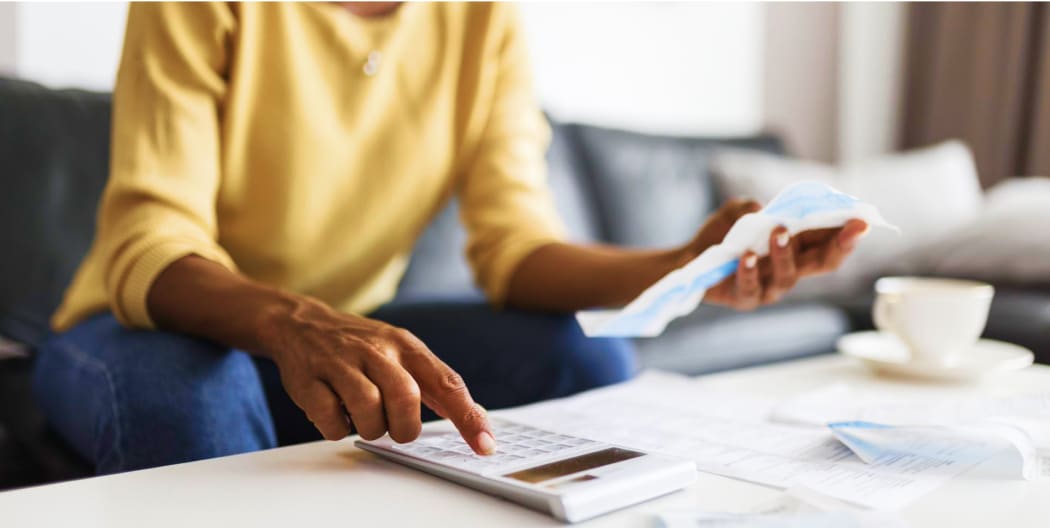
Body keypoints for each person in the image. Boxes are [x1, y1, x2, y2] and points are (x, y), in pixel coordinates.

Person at [33, 2, 868, 475]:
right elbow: (151, 240)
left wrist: (682, 267)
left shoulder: (480, 21)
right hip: (147, 325)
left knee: (585, 359)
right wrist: (294, 321)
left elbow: (514, 250)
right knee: (195, 397)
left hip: (337, 329)